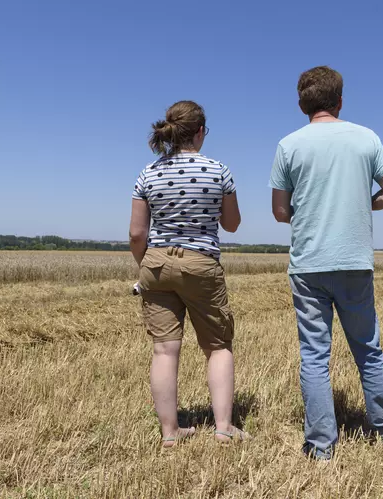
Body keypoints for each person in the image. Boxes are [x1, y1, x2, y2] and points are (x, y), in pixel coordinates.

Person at [269, 66, 383, 460]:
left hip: (309, 263)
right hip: (354, 260)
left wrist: (312, 210)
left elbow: (280, 212)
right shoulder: (366, 138)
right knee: (368, 349)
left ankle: (321, 446)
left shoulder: (288, 145)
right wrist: (363, 203)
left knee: (314, 355)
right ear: (340, 100)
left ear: (301, 104)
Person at [129, 100, 248, 447]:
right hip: (200, 263)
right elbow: (233, 224)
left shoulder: (148, 173)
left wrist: (146, 267)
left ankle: (170, 433)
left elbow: (137, 234)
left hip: (155, 263)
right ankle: (223, 427)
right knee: (218, 347)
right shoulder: (218, 170)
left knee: (165, 350)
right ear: (199, 132)